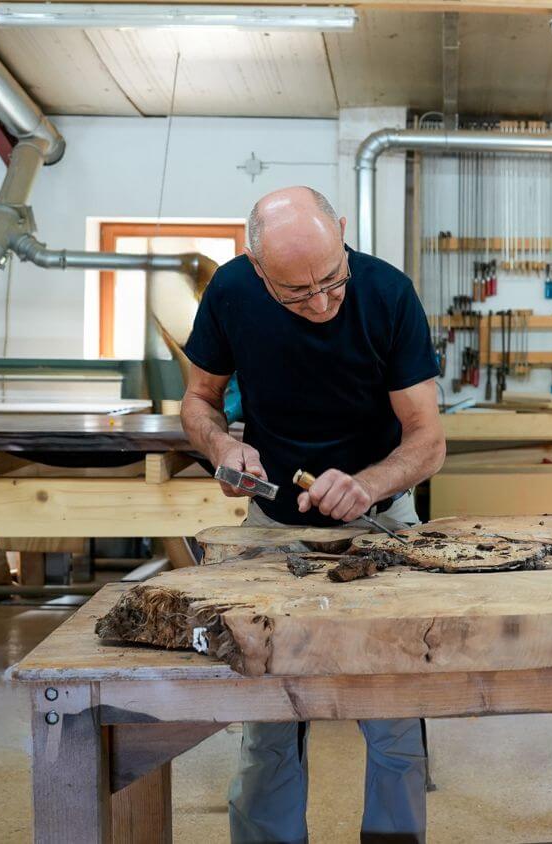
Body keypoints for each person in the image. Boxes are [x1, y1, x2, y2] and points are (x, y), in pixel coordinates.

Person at [180, 185, 445, 843]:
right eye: (296, 293)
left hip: (379, 522)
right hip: (272, 525)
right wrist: (222, 446)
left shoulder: (386, 293)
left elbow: (427, 439)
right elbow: (197, 401)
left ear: (344, 232)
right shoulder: (231, 293)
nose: (321, 303)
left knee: (393, 712)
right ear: (256, 265)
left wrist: (367, 483)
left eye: (331, 281)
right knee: (268, 715)